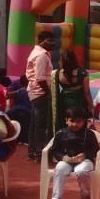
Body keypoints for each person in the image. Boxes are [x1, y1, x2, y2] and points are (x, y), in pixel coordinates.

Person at [46, 105, 100, 199]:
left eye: (78, 121)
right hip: (67, 161)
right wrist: (64, 158)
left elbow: (95, 149)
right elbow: (55, 150)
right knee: (59, 169)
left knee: (81, 171)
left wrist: (84, 155)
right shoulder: (61, 134)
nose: (75, 124)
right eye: (72, 121)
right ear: (66, 120)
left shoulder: (89, 134)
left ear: (84, 121)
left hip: (85, 161)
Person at [26, 32, 56, 162]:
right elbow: (40, 78)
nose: (52, 43)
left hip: (36, 93)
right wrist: (48, 93)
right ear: (41, 40)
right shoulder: (41, 56)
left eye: (53, 40)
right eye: (49, 40)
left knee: (35, 124)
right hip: (40, 93)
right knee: (41, 125)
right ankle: (39, 153)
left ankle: (33, 151)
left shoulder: (37, 52)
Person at [53, 50, 92, 125]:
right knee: (80, 122)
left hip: (64, 102)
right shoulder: (82, 73)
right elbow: (87, 92)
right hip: (79, 101)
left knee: (66, 122)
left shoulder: (57, 73)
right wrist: (91, 106)